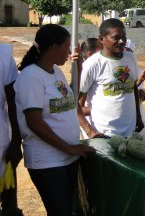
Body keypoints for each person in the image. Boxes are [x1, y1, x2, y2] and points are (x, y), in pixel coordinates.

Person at [14, 24, 94, 216]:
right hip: (48, 160)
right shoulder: (31, 76)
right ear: (54, 47)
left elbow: (71, 99)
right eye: (66, 47)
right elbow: (34, 122)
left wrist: (80, 69)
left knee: (70, 210)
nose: (69, 52)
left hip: (67, 157)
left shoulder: (55, 72)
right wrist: (69, 148)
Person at [78, 18, 145, 138]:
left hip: (130, 132)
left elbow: (132, 88)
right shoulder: (92, 64)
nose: (122, 41)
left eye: (124, 37)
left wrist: (138, 119)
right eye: (116, 37)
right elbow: (77, 106)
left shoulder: (130, 58)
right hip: (103, 134)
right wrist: (90, 132)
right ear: (102, 39)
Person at [0, 44, 22, 216]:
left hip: (1, 145)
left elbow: (13, 100)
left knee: (8, 204)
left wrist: (16, 141)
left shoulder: (3, 55)